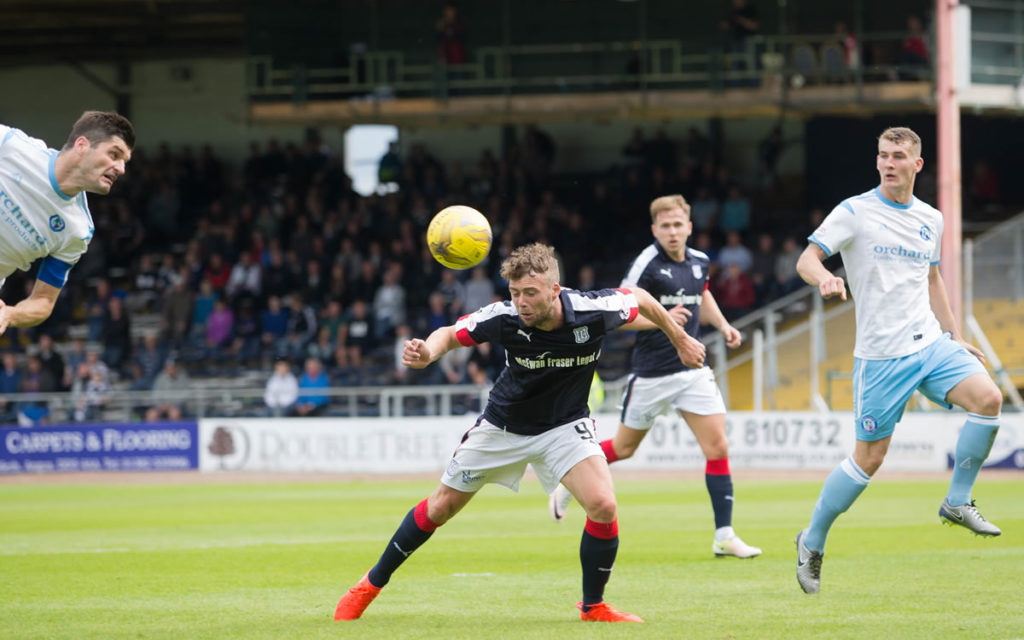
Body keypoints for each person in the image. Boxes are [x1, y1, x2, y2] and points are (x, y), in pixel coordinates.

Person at [334, 243, 706, 624]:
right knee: (441, 506)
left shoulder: (595, 309)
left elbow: (641, 298)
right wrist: (427, 353)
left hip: (564, 427)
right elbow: (449, 333)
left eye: (530, 293)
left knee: (604, 505)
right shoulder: (503, 317)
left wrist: (679, 337)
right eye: (515, 293)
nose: (522, 302)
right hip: (503, 426)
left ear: (554, 290)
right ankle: (369, 584)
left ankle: (593, 607)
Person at [793, 127, 1004, 595]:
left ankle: (957, 501)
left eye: (898, 156)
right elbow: (806, 259)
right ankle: (813, 539)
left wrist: (954, 335)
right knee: (870, 459)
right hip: (882, 356)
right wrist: (825, 279)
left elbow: (932, 280)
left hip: (929, 343)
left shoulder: (932, 218)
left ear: (917, 164)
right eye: (883, 156)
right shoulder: (854, 212)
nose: (889, 163)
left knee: (989, 398)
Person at [546, 195, 761, 558]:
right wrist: (664, 319)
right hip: (651, 374)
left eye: (679, 225)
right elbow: (619, 313)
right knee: (626, 448)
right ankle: (570, 480)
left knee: (718, 447)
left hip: (692, 370)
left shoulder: (700, 262)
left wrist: (724, 325)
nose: (673, 232)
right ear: (654, 230)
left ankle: (724, 535)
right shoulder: (646, 265)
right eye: (665, 226)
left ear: (690, 227)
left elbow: (702, 293)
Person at [0, 111, 135, 336]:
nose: (121, 168)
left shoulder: (78, 230)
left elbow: (43, 300)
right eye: (114, 154)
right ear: (82, 145)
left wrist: (9, 315)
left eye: (124, 162)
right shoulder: (10, 144)